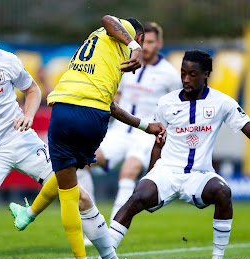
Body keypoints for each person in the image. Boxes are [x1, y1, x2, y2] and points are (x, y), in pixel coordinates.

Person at [92, 50, 250, 259]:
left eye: (192, 74)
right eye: (183, 73)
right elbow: (159, 141)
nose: (186, 79)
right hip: (166, 171)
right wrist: (149, 175)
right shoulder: (166, 103)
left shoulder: (222, 102)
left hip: (199, 174)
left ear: (206, 74)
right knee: (135, 198)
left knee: (223, 193)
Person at [9, 15, 165, 259]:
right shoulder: (124, 38)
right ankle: (37, 220)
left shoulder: (98, 49)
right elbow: (108, 18)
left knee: (68, 185)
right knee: (69, 183)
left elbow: (112, 105)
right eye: (139, 42)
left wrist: (143, 125)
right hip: (91, 117)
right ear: (136, 37)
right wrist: (135, 47)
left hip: (63, 111)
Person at [77, 22, 181, 223]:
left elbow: (175, 109)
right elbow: (116, 96)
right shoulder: (126, 62)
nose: (146, 47)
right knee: (81, 161)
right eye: (144, 42)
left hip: (145, 135)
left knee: (128, 171)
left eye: (151, 42)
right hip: (120, 131)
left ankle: (114, 229)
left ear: (159, 43)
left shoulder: (170, 74)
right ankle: (92, 222)